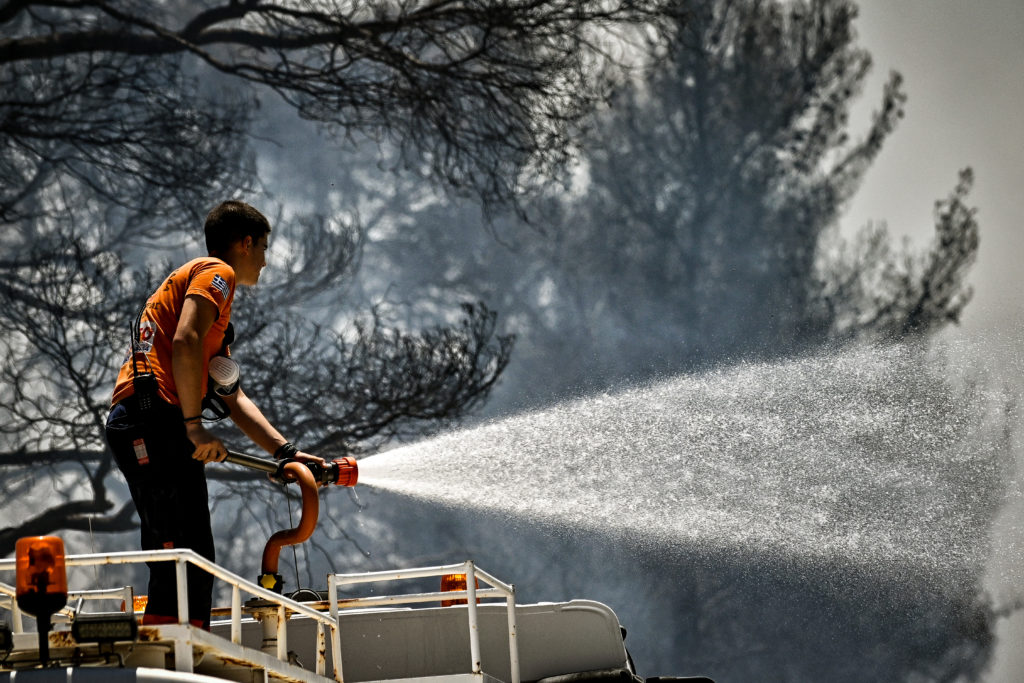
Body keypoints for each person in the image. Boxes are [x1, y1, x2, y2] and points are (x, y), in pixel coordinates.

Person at [104, 200, 323, 629]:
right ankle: (168, 659)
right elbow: (184, 341)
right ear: (245, 243)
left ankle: (178, 649)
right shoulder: (216, 274)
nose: (266, 259)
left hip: (155, 422)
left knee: (192, 554)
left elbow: (231, 397)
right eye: (263, 247)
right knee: (180, 553)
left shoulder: (216, 315)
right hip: (152, 421)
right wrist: (194, 428)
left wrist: (288, 453)